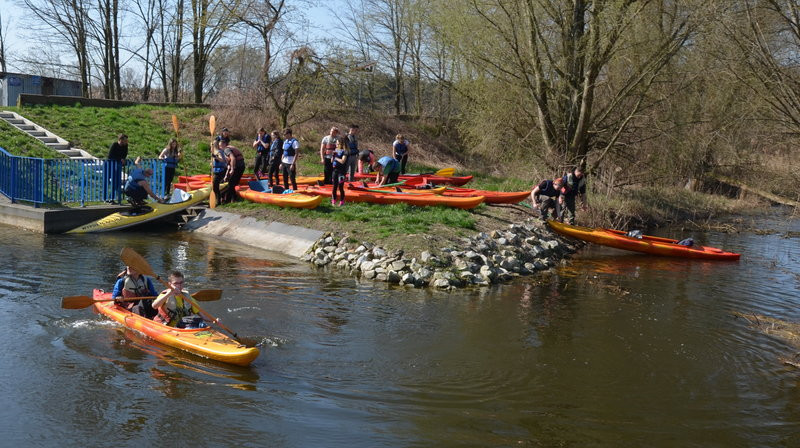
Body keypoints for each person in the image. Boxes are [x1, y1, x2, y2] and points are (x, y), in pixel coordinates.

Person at [105, 133, 128, 204]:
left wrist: (123, 159)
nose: (126, 141)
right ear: (120, 139)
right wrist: (120, 159)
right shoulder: (114, 145)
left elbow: (124, 155)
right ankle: (105, 198)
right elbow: (110, 155)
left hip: (117, 165)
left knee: (115, 182)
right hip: (109, 164)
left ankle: (112, 198)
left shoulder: (125, 146)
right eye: (124, 140)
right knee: (106, 181)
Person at [331, 138, 349, 206]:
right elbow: (331, 161)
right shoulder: (336, 150)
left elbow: (342, 161)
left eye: (338, 143)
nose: (336, 144)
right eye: (336, 143)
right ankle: (333, 200)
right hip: (335, 171)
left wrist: (336, 157)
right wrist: (333, 156)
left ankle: (342, 201)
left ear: (341, 144)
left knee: (340, 187)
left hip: (341, 172)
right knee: (334, 187)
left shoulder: (345, 151)